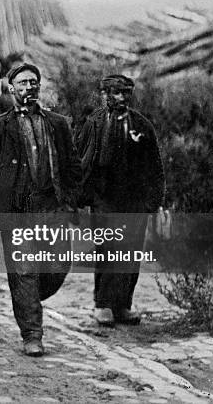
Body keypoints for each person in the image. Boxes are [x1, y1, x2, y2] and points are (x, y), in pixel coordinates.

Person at [0, 63, 81, 357]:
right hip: (16, 209)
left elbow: (72, 167)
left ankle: (29, 296)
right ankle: (32, 334)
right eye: (22, 83)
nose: (29, 88)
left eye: (33, 83)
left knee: (59, 265)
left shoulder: (57, 123)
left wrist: (72, 203)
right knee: (23, 271)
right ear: (12, 89)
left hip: (51, 207)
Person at [76, 74, 164, 326]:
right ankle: (102, 304)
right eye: (116, 93)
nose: (121, 98)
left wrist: (154, 201)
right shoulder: (93, 123)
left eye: (126, 93)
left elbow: (154, 167)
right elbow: (81, 160)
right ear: (104, 95)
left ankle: (123, 304)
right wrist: (80, 197)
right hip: (104, 198)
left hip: (134, 200)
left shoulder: (142, 125)